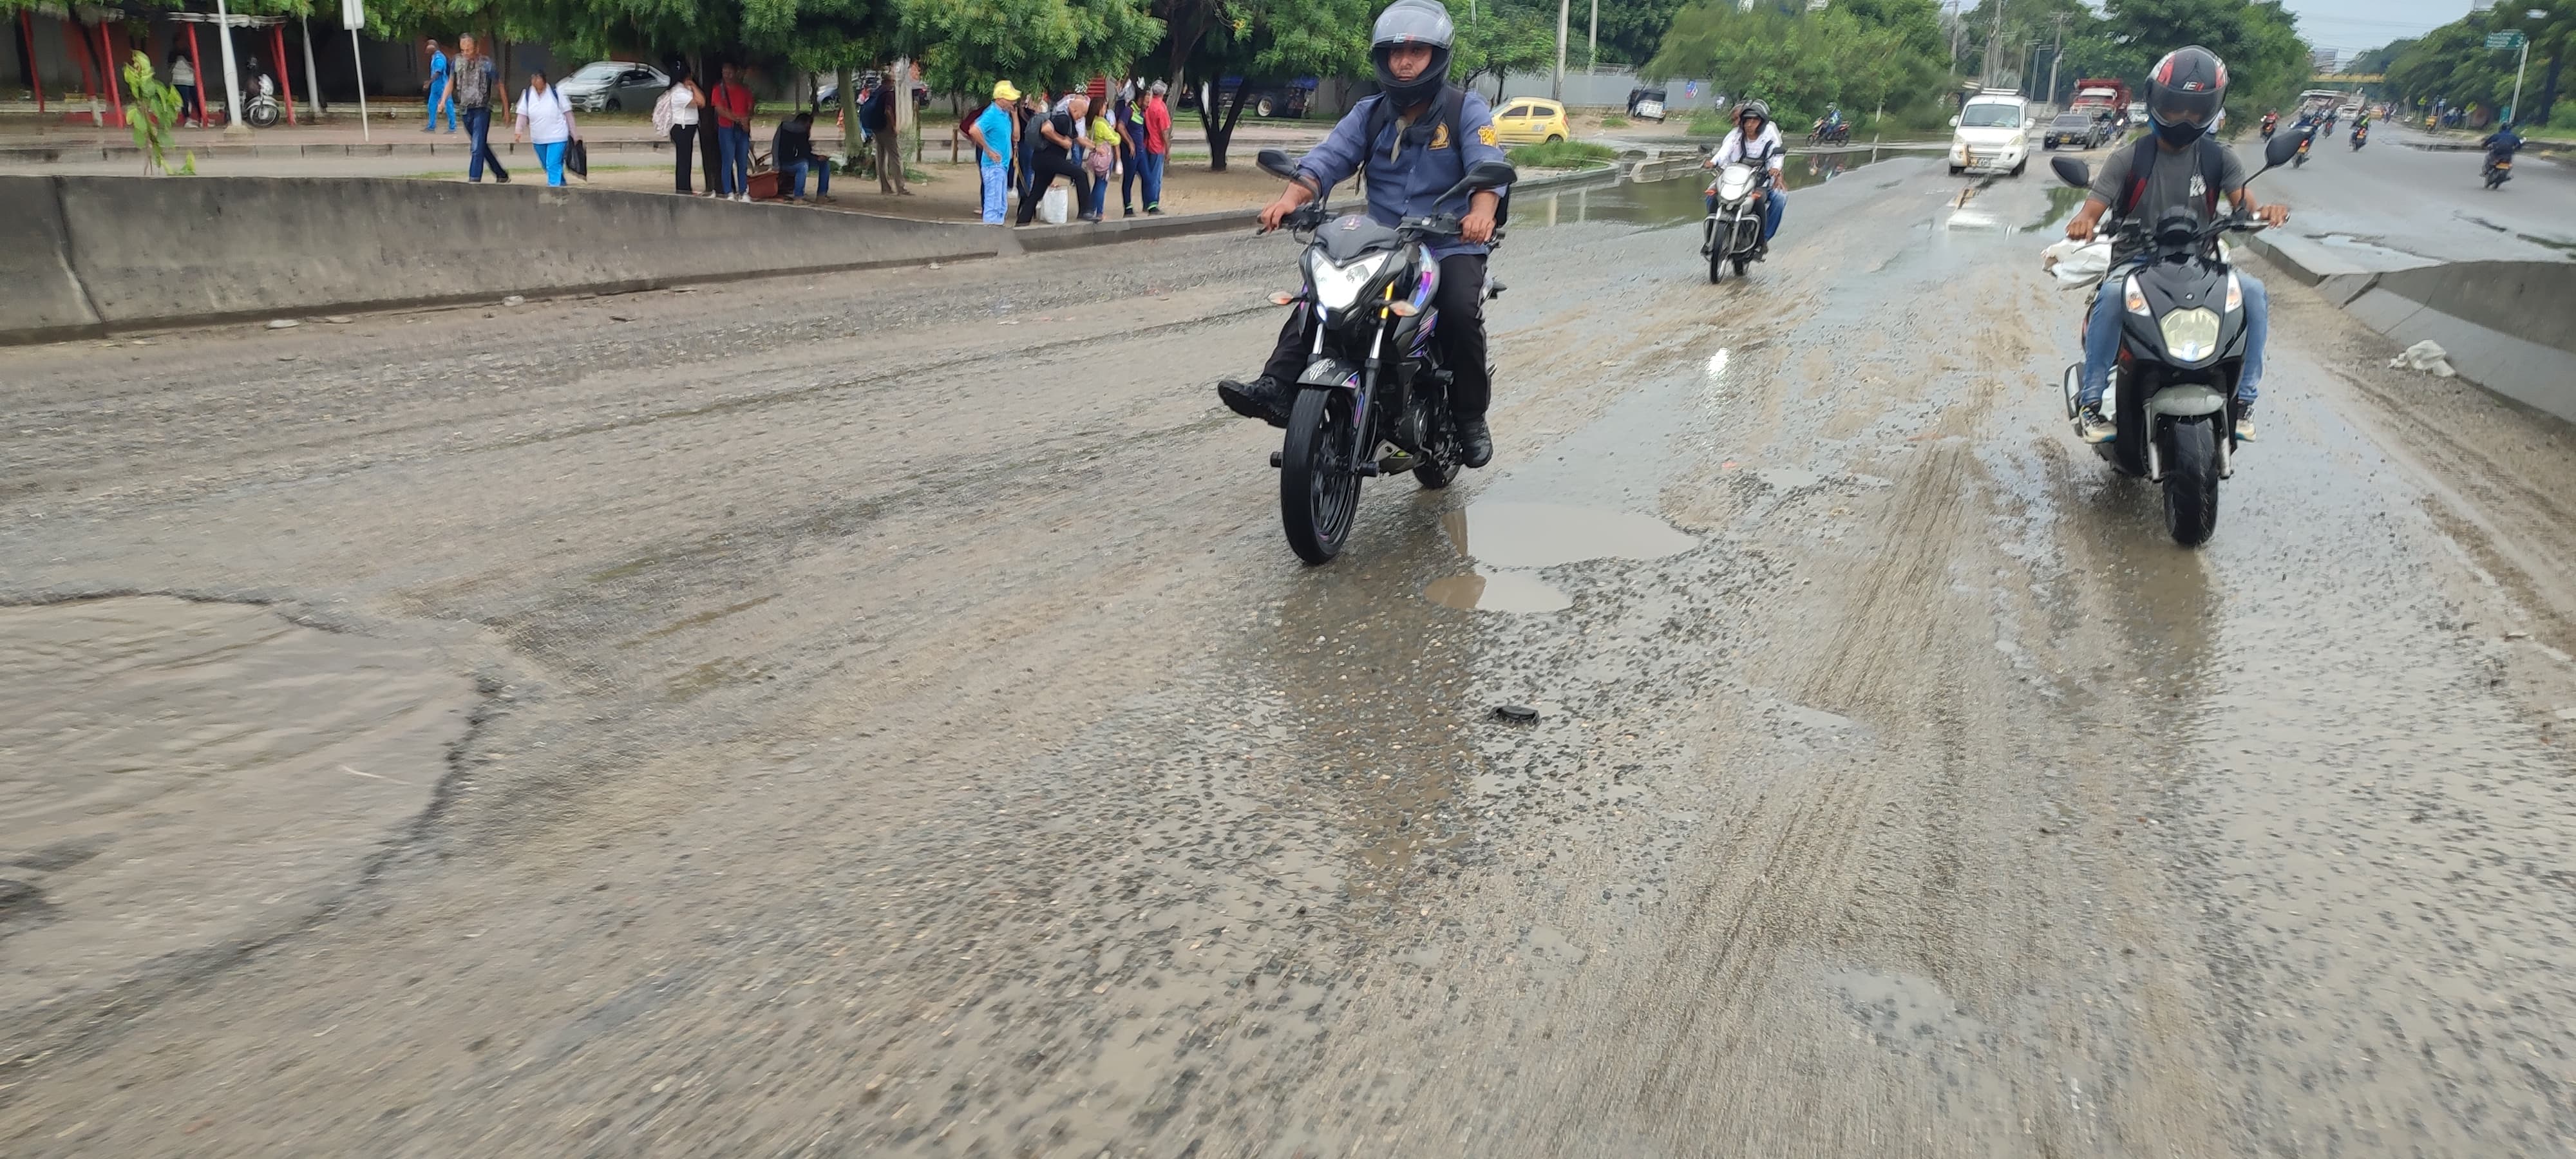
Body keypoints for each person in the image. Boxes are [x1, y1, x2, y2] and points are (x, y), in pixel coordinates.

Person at [1213, 0, 1510, 468]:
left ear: (1438, 57)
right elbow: (1328, 160)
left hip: (1448, 244)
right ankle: (1277, 386)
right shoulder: (1370, 113)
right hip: (1385, 245)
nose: (1404, 61)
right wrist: (1290, 201)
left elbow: (1488, 171)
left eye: (1416, 51)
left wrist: (1481, 213)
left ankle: (1471, 416)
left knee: (1458, 310)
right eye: (1395, 52)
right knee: (1323, 295)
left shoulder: (1465, 110)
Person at [2061, 45, 2289, 445]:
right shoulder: (2128, 159)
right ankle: (2092, 402)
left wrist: (2264, 212)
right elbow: (2092, 209)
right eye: (2178, 107)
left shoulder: (2220, 159)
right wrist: (2083, 222)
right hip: (2137, 262)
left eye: (2197, 110)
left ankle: (2245, 400)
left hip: (2200, 263)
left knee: (2253, 293)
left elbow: (2243, 206)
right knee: (2111, 297)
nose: (2186, 118)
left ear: (2212, 110)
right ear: (2156, 101)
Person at [1701, 100, 1786, 258]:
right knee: (1711, 194)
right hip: (1732, 178)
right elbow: (1724, 153)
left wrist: (1777, 170)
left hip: (1760, 180)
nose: (1747, 124)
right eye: (1746, 120)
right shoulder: (1736, 135)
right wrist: (1713, 162)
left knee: (1779, 198)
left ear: (1761, 121)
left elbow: (1777, 154)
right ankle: (1712, 237)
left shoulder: (1769, 133)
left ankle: (1763, 240)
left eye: (1753, 120)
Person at [1017, 93, 1097, 225]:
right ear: (1074, 109)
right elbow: (1046, 129)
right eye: (1081, 114)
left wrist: (1095, 147)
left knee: (1037, 192)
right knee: (1081, 174)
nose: (1081, 118)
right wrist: (1062, 141)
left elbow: (1078, 139)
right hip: (1048, 159)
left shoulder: (1069, 120)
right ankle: (1086, 211)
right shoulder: (1063, 117)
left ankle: (1022, 222)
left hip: (1043, 160)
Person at [453, 35, 507, 184]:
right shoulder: (457, 62)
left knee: (476, 147)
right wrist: (443, 100)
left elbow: (500, 85)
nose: (466, 53)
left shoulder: (486, 64)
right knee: (480, 145)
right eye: (463, 50)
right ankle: (501, 174)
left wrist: (506, 109)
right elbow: (451, 81)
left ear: (476, 48)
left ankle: (474, 179)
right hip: (465, 110)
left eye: (469, 50)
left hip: (482, 110)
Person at [513, 68, 579, 186]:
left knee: (552, 163)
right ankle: (561, 184)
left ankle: (553, 188)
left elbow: (568, 114)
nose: (536, 81)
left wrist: (574, 133)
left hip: (558, 136)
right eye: (534, 78)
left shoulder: (556, 91)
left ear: (544, 80)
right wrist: (518, 131)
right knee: (546, 164)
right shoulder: (528, 94)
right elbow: (522, 114)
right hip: (538, 137)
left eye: (538, 78)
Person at [967, 80, 1019, 225]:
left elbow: (1016, 136)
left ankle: (997, 231)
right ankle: (990, 233)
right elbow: (974, 130)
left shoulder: (1004, 114)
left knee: (1001, 204)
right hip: (993, 166)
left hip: (1002, 165)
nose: (1013, 102)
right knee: (994, 204)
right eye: (1010, 99)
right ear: (1001, 99)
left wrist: (1015, 116)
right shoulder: (992, 114)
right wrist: (988, 150)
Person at [710, 63, 755, 202]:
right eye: (725, 71)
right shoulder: (719, 89)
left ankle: (743, 191)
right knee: (728, 160)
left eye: (730, 71)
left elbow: (751, 108)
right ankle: (729, 192)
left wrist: (747, 119)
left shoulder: (744, 90)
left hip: (742, 129)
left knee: (742, 161)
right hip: (726, 128)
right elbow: (719, 109)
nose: (727, 74)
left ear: (736, 72)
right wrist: (738, 119)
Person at [775, 110, 834, 203]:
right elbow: (776, 148)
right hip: (784, 163)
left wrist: (816, 158)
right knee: (803, 165)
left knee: (823, 163)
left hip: (797, 160)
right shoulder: (788, 130)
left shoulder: (801, 132)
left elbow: (805, 152)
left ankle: (822, 195)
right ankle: (798, 196)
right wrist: (776, 165)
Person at [663, 62, 703, 194]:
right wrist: (693, 86)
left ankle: (686, 187)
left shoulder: (685, 90)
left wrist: (691, 87)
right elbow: (701, 102)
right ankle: (683, 188)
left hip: (688, 128)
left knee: (686, 158)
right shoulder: (679, 92)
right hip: (682, 128)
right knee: (684, 159)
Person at [1138, 80, 1171, 214]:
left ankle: (1146, 203)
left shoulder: (1149, 105)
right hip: (1157, 146)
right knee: (1156, 177)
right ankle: (1154, 204)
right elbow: (1164, 132)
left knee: (1147, 175)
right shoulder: (1161, 108)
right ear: (1163, 92)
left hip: (1146, 143)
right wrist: (1168, 149)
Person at [1084, 98, 1120, 220]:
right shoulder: (1101, 123)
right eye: (1104, 107)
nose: (1105, 110)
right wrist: (1115, 133)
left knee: (1098, 183)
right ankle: (1099, 211)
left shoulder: (1091, 123)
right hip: (1104, 156)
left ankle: (1091, 209)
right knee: (1102, 185)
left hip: (1095, 157)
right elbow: (1115, 139)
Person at [423, 39, 456, 133]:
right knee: (431, 105)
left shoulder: (439, 58)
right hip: (435, 86)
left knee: (448, 104)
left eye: (428, 48)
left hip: (442, 84)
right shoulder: (434, 57)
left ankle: (452, 127)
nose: (427, 51)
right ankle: (431, 126)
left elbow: (438, 71)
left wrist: (429, 82)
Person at [168, 48, 200, 127]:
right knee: (185, 101)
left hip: (190, 80)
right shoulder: (174, 54)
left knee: (196, 99)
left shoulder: (190, 51)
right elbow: (170, 67)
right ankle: (187, 119)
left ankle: (201, 118)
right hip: (180, 80)